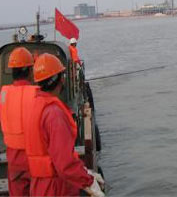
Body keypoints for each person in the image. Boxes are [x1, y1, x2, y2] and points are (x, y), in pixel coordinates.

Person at [26, 54, 103, 196]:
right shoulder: (54, 114)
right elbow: (65, 163)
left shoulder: (35, 105)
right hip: (56, 188)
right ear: (61, 79)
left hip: (39, 186)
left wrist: (84, 171)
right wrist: (88, 181)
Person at [1, 47, 37, 196]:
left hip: (14, 162)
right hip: (35, 160)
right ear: (30, 71)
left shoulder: (3, 94)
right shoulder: (37, 94)